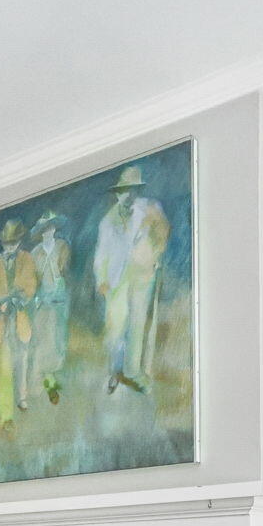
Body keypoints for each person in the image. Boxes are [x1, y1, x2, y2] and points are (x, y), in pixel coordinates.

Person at [92, 165, 170, 393]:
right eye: (124, 190)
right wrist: (101, 279)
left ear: (137, 191)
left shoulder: (150, 209)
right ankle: (115, 370)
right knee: (115, 326)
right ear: (117, 192)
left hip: (142, 275)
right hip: (116, 279)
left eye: (132, 190)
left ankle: (133, 372)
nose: (128, 195)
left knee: (137, 324)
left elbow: (162, 232)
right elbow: (101, 253)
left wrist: (155, 255)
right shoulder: (107, 221)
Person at [0, 220, 38, 425]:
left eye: (14, 242)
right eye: (7, 243)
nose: (10, 246)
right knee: (3, 365)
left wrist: (18, 299)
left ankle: (21, 397)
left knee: (21, 358)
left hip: (20, 318)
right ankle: (5, 410)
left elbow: (31, 286)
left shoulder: (27, 259)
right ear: (2, 243)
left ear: (19, 242)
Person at [28, 211, 70, 403]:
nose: (48, 231)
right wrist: (37, 297)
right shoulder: (35, 252)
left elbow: (63, 271)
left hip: (59, 298)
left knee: (57, 337)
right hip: (41, 299)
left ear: (54, 229)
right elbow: (32, 279)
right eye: (45, 229)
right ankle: (47, 380)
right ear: (41, 232)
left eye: (51, 228)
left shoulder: (62, 246)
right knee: (42, 339)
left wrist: (55, 270)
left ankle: (51, 375)